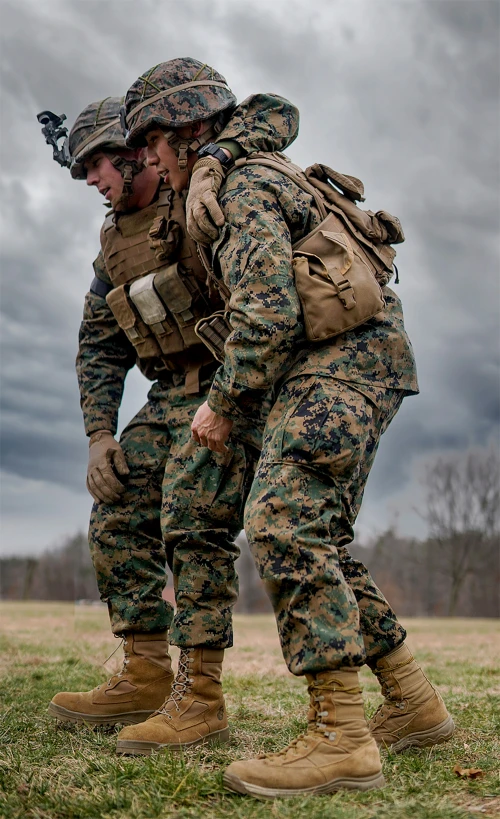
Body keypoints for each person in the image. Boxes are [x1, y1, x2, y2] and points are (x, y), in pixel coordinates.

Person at [116, 58, 455, 795]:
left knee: (281, 518)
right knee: (317, 531)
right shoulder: (240, 168)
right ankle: (412, 700)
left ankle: (340, 735)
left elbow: (267, 313)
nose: (149, 162)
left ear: (187, 132)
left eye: (154, 146)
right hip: (360, 362)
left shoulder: (238, 188)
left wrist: (223, 402)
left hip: (343, 366)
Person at [41, 87, 300, 743]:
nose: (94, 181)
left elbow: (276, 113)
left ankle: (200, 695)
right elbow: (98, 345)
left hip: (237, 378)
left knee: (192, 514)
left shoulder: (200, 187)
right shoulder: (113, 249)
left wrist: (213, 158)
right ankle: (145, 671)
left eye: (97, 163)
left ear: (137, 152)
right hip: (169, 395)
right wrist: (100, 436)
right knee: (119, 500)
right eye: (83, 173)